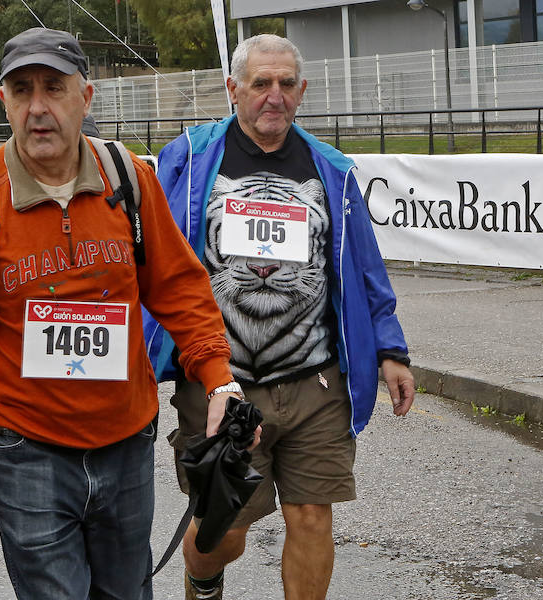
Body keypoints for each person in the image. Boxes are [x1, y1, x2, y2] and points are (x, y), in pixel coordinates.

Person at [0, 27, 245, 599]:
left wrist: (219, 379)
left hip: (125, 439)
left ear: (85, 98)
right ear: (5, 103)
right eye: (22, 91)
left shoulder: (129, 179)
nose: (38, 108)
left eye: (54, 88)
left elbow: (180, 288)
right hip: (23, 446)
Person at [148, 34, 416, 600]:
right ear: (233, 90)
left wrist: (391, 349)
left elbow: (363, 267)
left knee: (313, 515)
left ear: (302, 91)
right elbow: (153, 256)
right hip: (220, 381)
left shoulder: (331, 170)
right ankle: (204, 580)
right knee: (226, 529)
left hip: (315, 379)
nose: (275, 96)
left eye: (286, 84)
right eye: (261, 83)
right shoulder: (192, 158)